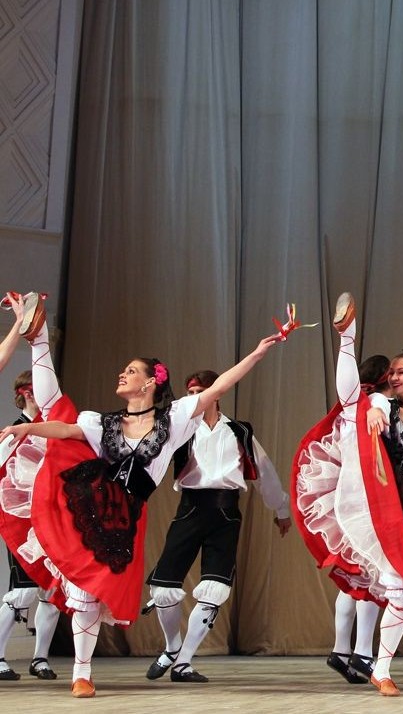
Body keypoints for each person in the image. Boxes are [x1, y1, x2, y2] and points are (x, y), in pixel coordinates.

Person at [0, 293, 285, 698]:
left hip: (124, 519)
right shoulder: (103, 423)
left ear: (151, 382)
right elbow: (64, 429)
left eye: (131, 371)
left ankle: (87, 670)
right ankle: (82, 674)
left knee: (96, 592)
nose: (122, 374)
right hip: (87, 503)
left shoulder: (174, 420)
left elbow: (221, 385)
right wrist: (27, 428)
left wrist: (257, 353)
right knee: (56, 409)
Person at [294, 279, 403, 696]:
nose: (392, 375)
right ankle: (347, 335)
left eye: (400, 371)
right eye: (390, 372)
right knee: (396, 585)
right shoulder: (381, 404)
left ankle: (379, 666)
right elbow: (358, 400)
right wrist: (373, 408)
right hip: (381, 501)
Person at [142, 369, 293, 683]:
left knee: (215, 589)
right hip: (190, 509)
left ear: (216, 392)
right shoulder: (180, 430)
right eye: (190, 392)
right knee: (164, 587)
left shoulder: (239, 431)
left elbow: (264, 469)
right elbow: (150, 460)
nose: (194, 397)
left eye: (199, 391)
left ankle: (184, 663)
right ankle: (172, 647)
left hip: (225, 513)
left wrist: (280, 508)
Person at [0, 300, 61, 681]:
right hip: (19, 517)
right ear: (25, 393)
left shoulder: (54, 431)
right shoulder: (11, 432)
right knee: (22, 589)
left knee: (52, 587)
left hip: (50, 515)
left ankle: (40, 657)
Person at [326, 354, 390, 685]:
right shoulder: (379, 402)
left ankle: (340, 649)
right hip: (368, 496)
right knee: (373, 575)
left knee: (354, 575)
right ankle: (363, 652)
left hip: (345, 494)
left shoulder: (348, 405)